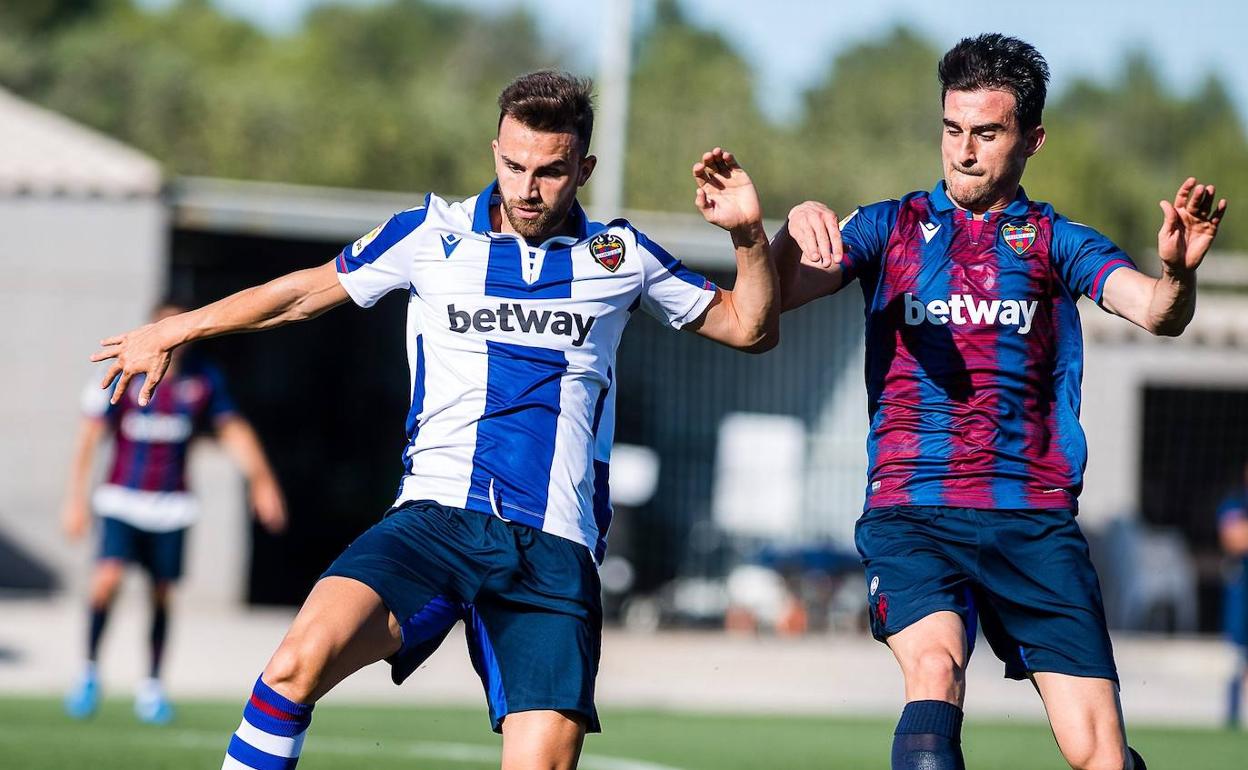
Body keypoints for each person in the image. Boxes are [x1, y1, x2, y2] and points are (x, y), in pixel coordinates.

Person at [90, 70, 778, 770]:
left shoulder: (621, 257)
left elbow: (750, 328)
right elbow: (300, 295)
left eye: (550, 171)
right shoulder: (429, 233)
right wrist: (179, 331)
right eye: (513, 166)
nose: (527, 188)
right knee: (295, 664)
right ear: (494, 153)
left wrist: (750, 235)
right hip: (432, 521)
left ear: (584, 170)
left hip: (552, 551)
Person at [773, 33, 1227, 770]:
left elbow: (1156, 312)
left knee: (1100, 757)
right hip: (911, 507)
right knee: (936, 672)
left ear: (1031, 139)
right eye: (952, 130)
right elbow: (764, 308)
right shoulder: (886, 229)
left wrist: (1176, 274)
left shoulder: (1056, 241)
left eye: (987, 133)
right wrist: (778, 237)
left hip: (1031, 516)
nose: (964, 150)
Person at [61, 302, 287, 724]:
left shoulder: (203, 379)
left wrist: (262, 480)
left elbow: (232, 429)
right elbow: (90, 435)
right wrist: (75, 498)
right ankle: (89, 673)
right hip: (122, 500)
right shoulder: (124, 374)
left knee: (162, 595)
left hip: (172, 506)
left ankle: (152, 686)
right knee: (105, 582)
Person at [1217, 464, 1248, 728]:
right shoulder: (1235, 504)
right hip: (1241, 596)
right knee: (1237, 658)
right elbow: (1235, 539)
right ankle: (1232, 715)